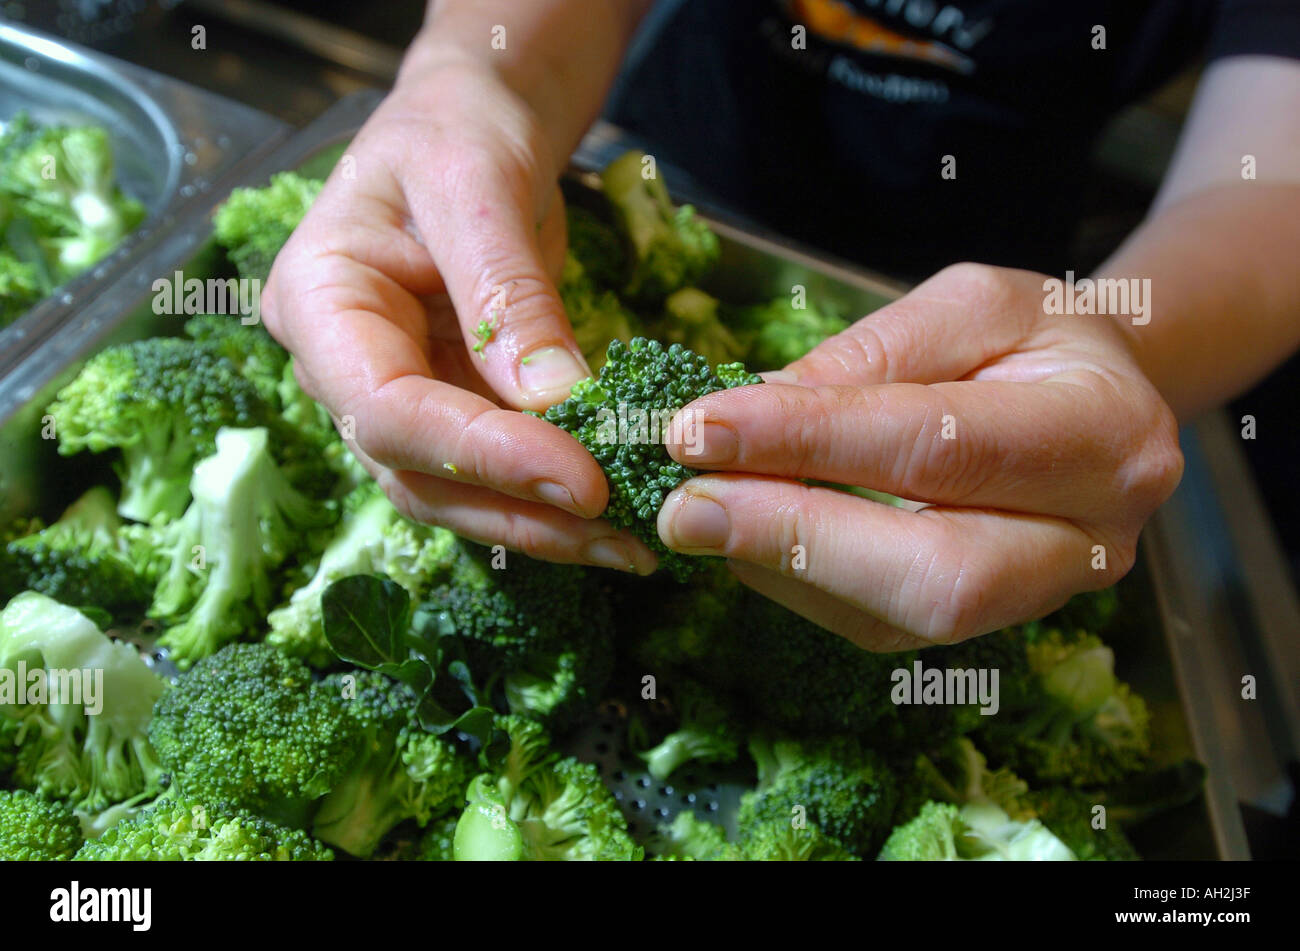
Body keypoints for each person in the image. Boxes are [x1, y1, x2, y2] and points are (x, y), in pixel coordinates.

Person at [262, 0, 1300, 651]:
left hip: (992, 273)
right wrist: (473, 81)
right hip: (666, 163)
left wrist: (1118, 347)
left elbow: (1273, 186)